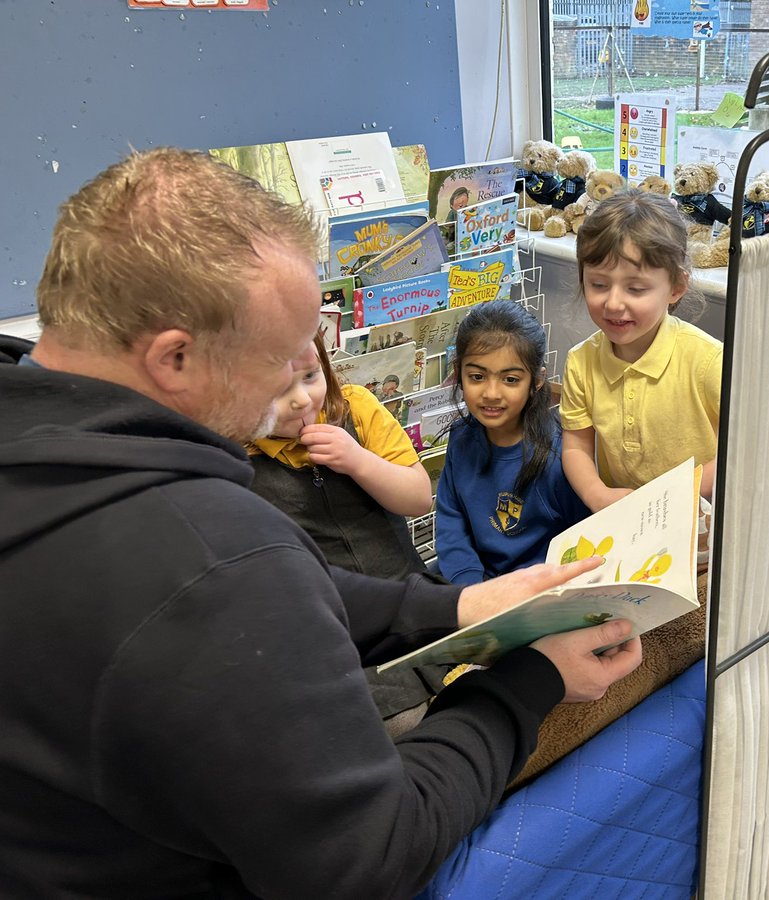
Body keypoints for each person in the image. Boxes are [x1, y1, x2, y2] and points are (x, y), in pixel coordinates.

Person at [0, 147, 642, 898]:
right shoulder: (214, 554)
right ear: (174, 357)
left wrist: (462, 606)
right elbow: (365, 860)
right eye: (282, 359)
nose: (303, 387)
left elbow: (284, 595)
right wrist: (529, 682)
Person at [248, 335, 441, 729]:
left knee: (479, 679)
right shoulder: (238, 456)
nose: (301, 400)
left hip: (412, 591)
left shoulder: (356, 406)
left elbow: (419, 498)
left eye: (310, 375)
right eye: (278, 389)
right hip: (339, 631)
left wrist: (358, 461)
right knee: (404, 722)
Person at [560, 190, 723, 512]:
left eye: (636, 289)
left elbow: (742, 449)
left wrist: (677, 496)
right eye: (598, 284)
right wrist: (596, 495)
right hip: (627, 521)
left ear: (676, 287)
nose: (614, 303)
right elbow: (576, 446)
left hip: (702, 516)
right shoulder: (581, 362)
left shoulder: (709, 361)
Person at [435, 300, 591, 585]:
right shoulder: (461, 437)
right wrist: (470, 589)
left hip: (540, 591)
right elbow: (451, 520)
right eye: (477, 377)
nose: (491, 393)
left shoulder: (558, 456)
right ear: (459, 373)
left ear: (537, 380)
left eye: (510, 379)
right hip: (476, 584)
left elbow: (582, 541)